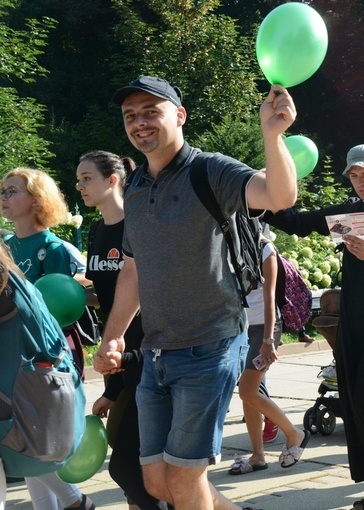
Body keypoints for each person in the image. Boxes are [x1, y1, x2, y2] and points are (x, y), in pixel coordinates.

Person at [95, 75, 298, 510]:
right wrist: (113, 335)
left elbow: (278, 195)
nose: (139, 122)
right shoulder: (134, 187)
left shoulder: (211, 170)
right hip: (156, 352)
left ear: (180, 115)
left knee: (185, 483)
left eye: (152, 111)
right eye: (131, 115)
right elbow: (133, 267)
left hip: (210, 346)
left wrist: (272, 135)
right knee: (156, 482)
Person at [263, 144, 364, 510]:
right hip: (354, 318)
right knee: (355, 399)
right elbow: (298, 223)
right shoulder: (349, 211)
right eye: (353, 175)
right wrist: (261, 196)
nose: (359, 181)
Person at [75, 150, 167, 510]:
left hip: (154, 359)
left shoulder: (140, 225)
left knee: (130, 469)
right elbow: (109, 297)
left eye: (86, 178)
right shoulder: (97, 231)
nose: (79, 185)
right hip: (122, 362)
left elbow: (146, 293)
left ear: (112, 180)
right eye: (79, 178)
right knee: (138, 472)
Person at [0, 168, 95, 510]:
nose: (4, 197)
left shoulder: (53, 247)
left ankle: (73, 502)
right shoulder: (4, 245)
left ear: (37, 200)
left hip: (44, 356)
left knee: (36, 434)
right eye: (2, 191)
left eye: (12, 191)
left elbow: (58, 306)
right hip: (11, 353)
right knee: (23, 438)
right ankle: (72, 503)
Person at [228, 233, 308, 475]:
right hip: (238, 327)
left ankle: (295, 434)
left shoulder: (265, 249)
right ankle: (257, 456)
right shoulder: (228, 242)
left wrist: (268, 341)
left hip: (264, 329)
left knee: (248, 391)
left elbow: (270, 298)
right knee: (248, 395)